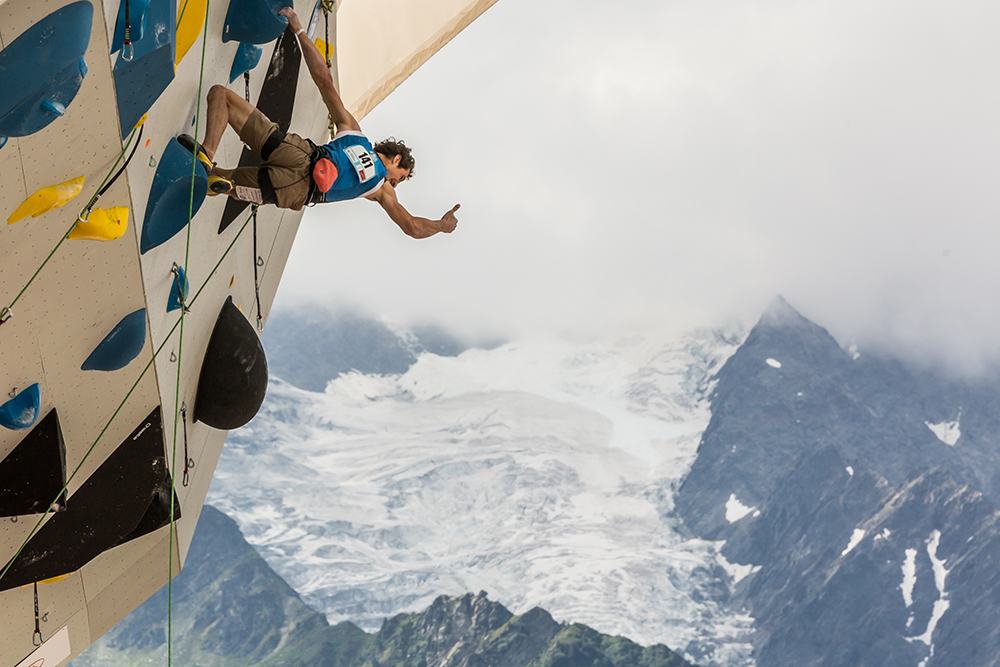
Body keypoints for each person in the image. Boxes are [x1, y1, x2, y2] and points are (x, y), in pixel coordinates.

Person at [179, 7, 459, 239]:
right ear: (396, 158)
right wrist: (442, 226)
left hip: (295, 152)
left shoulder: (354, 132)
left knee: (220, 96)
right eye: (399, 177)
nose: (394, 185)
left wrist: (299, 30)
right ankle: (217, 177)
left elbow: (323, 81)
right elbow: (411, 226)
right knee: (212, 183)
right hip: (292, 190)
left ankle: (207, 156)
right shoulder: (380, 188)